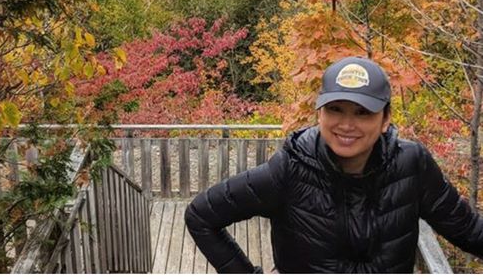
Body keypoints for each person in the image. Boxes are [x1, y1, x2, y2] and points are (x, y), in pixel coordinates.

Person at [185, 56, 483, 273]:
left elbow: (467, 229)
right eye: (335, 109)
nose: (346, 124)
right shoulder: (291, 169)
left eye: (363, 112)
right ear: (320, 114)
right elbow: (201, 215)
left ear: (385, 119)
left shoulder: (411, 165)